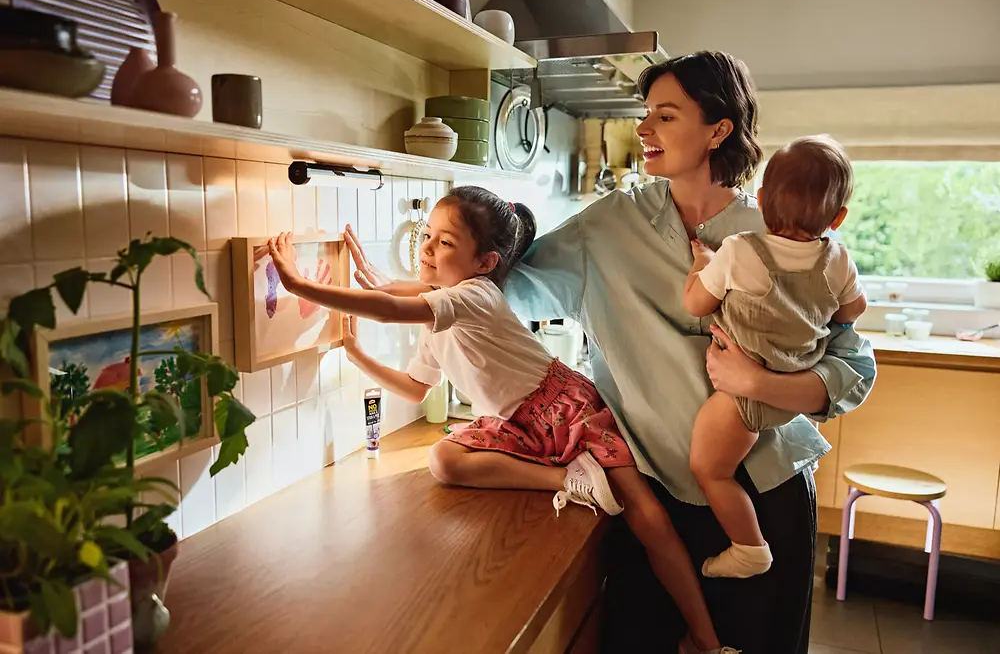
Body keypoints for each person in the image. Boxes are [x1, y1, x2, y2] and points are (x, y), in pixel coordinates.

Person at [345, 52, 876, 653]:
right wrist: (383, 281)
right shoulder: (607, 225)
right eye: (646, 114)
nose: (645, 129)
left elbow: (854, 367)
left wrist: (761, 385)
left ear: (718, 130)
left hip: (762, 496)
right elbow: (487, 284)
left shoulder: (778, 234)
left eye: (666, 116)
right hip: (647, 487)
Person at [266, 187, 739, 654]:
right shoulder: (440, 317)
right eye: (427, 235)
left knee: (648, 517)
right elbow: (413, 386)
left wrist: (302, 285)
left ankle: (707, 640)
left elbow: (396, 306)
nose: (427, 248)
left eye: (444, 242)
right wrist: (356, 353)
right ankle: (569, 479)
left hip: (564, 409)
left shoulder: (474, 295)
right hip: (520, 425)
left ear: (485, 263)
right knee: (443, 461)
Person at [682, 135, 868, 580]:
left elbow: (695, 304)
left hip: (740, 403)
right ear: (838, 217)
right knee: (716, 469)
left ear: (761, 201)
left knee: (709, 471)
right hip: (794, 393)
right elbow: (852, 311)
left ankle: (749, 547)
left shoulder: (740, 250)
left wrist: (701, 263)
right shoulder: (837, 258)